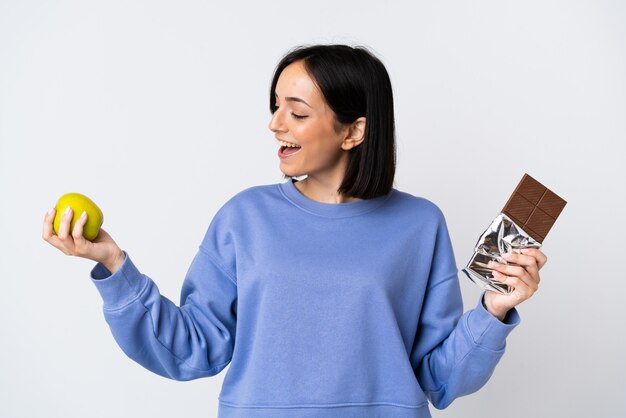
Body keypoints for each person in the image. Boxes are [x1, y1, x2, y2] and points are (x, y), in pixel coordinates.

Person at [42, 44, 547, 418]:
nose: (275, 124)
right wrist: (113, 265)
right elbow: (191, 348)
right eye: (276, 106)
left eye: (297, 112)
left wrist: (493, 309)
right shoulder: (245, 217)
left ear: (354, 131)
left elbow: (439, 378)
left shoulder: (419, 223)